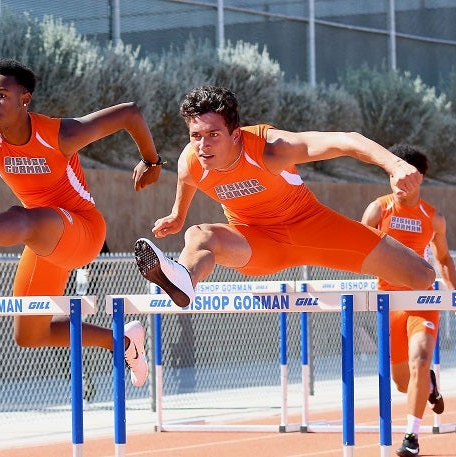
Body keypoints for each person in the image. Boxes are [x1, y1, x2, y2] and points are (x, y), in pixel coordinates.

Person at [0, 58, 164, 387]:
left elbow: (130, 112)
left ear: (24, 100)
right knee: (30, 334)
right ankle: (123, 342)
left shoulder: (59, 134)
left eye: (2, 95)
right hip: (43, 240)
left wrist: (152, 161)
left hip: (83, 230)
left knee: (24, 217)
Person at [133, 85, 435, 310]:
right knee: (199, 235)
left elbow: (346, 141)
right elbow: (187, 181)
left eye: (213, 135)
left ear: (235, 134)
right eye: (195, 136)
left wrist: (394, 164)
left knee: (422, 276)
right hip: (257, 242)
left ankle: (182, 276)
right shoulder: (191, 161)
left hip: (314, 228)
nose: (202, 145)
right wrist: (177, 215)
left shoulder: (271, 149)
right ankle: (183, 278)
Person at [361, 144, 456, 457]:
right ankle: (430, 386)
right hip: (388, 303)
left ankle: (412, 437)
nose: (396, 180)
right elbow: (355, 248)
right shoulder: (378, 209)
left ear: (418, 178)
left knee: (420, 359)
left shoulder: (433, 218)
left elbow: (444, 259)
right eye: (391, 173)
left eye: (403, 175)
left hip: (423, 300)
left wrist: (454, 292)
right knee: (402, 382)